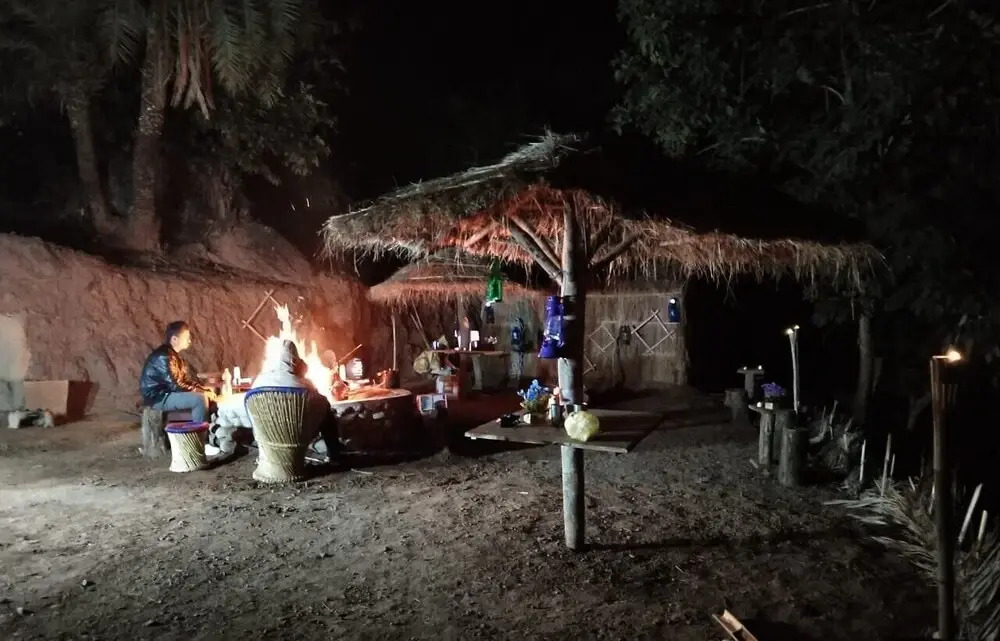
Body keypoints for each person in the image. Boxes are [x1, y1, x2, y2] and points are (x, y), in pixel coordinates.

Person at [248, 339, 340, 463]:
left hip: (269, 433)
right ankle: (334, 454)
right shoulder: (304, 384)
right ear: (295, 362)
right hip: (295, 434)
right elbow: (320, 402)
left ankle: (265, 455)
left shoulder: (259, 382)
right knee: (325, 406)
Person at [139, 321, 216, 423]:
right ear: (174, 339)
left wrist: (203, 389)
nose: (189, 341)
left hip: (168, 393)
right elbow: (175, 386)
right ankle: (201, 432)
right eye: (186, 337)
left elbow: (184, 381)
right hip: (159, 397)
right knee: (200, 399)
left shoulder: (174, 356)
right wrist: (202, 392)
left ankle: (212, 427)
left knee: (209, 391)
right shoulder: (164, 356)